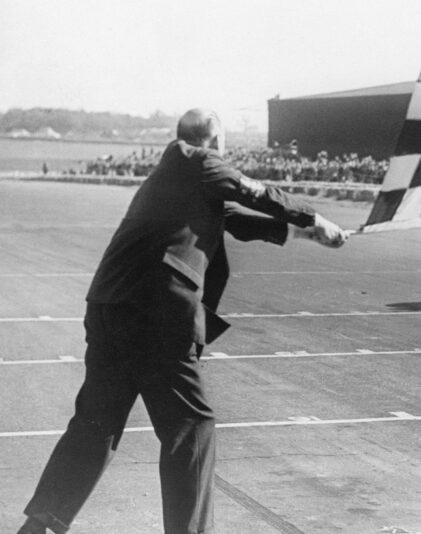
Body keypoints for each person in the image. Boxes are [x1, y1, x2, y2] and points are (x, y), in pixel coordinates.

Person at [17, 109, 349, 534]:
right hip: (156, 315)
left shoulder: (172, 176)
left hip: (110, 307)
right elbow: (257, 193)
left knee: (96, 421)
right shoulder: (199, 160)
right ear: (214, 138)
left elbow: (234, 220)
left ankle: (39, 523)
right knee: (192, 427)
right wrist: (313, 217)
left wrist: (306, 234)